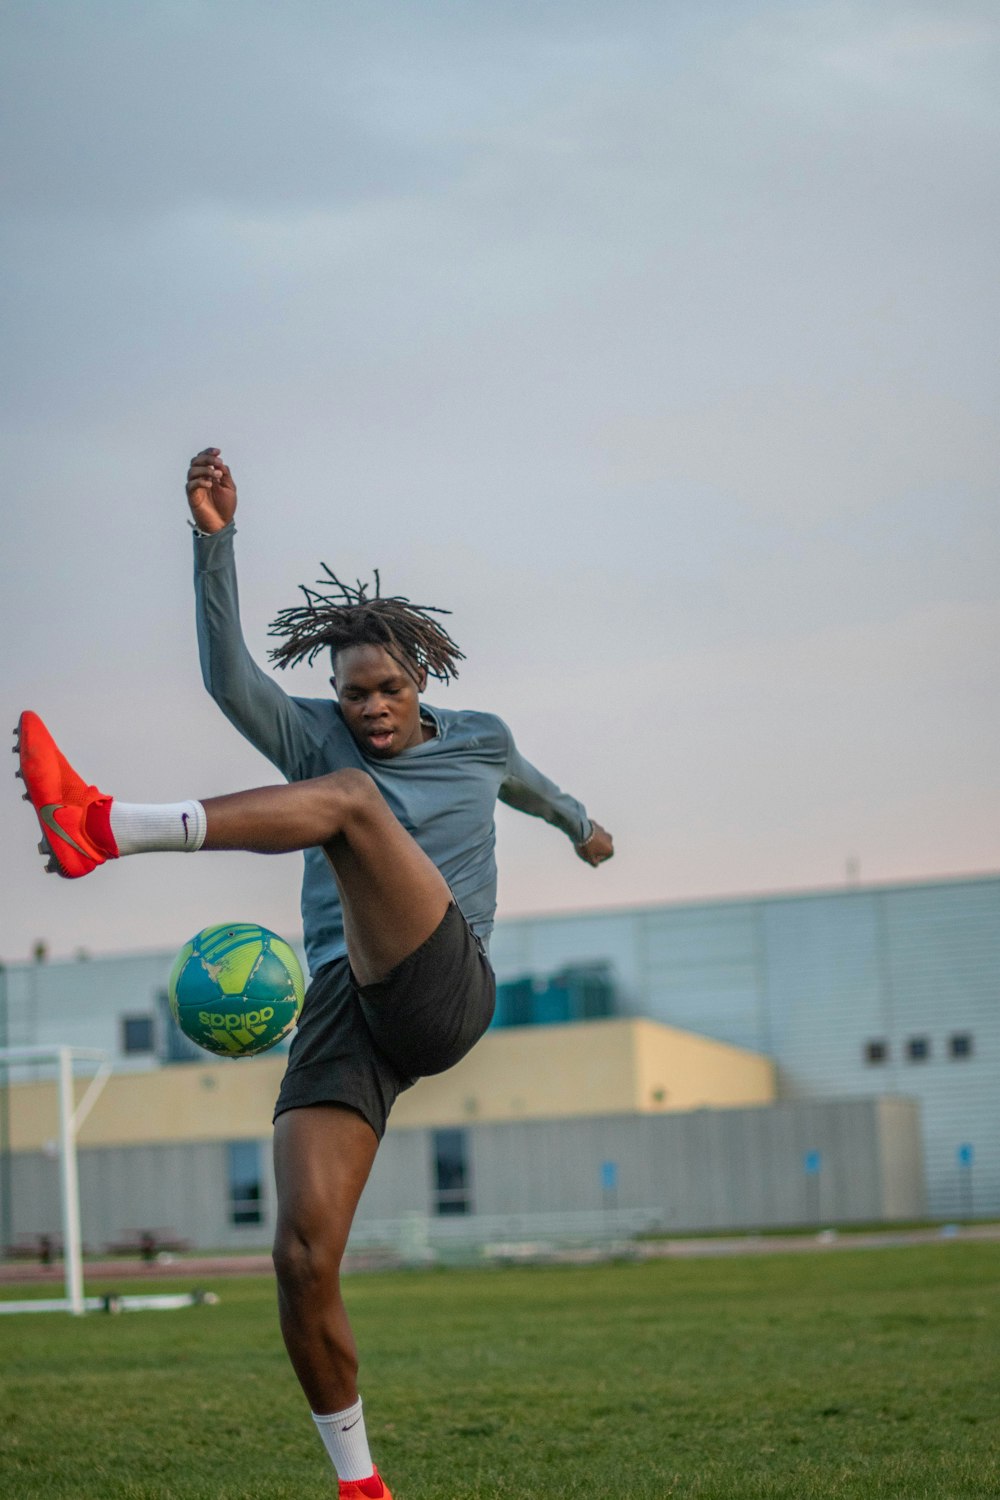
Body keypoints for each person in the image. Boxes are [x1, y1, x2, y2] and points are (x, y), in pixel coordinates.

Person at [15, 447, 614, 1500]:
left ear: (420, 681)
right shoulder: (319, 738)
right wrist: (214, 540)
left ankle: (104, 825)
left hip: (445, 985)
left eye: (385, 690)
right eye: (351, 693)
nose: (370, 710)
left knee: (349, 803)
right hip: (345, 1007)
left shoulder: (475, 740)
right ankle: (360, 1483)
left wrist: (582, 826)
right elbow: (226, 677)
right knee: (298, 1258)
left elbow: (531, 788)